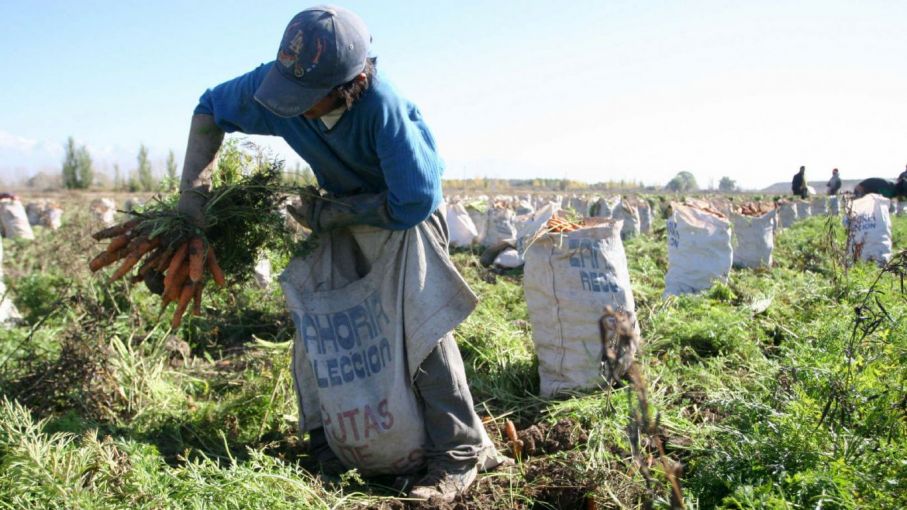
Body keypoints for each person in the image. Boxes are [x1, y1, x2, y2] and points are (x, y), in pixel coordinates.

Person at [175, 6, 503, 502]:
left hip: (400, 218)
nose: (291, 108)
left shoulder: (381, 107)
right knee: (317, 327)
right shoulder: (274, 88)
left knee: (420, 331)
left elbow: (414, 200)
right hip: (338, 214)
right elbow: (208, 108)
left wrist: (331, 215)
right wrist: (192, 204)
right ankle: (328, 447)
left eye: (306, 99)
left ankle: (457, 455)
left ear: (350, 84)